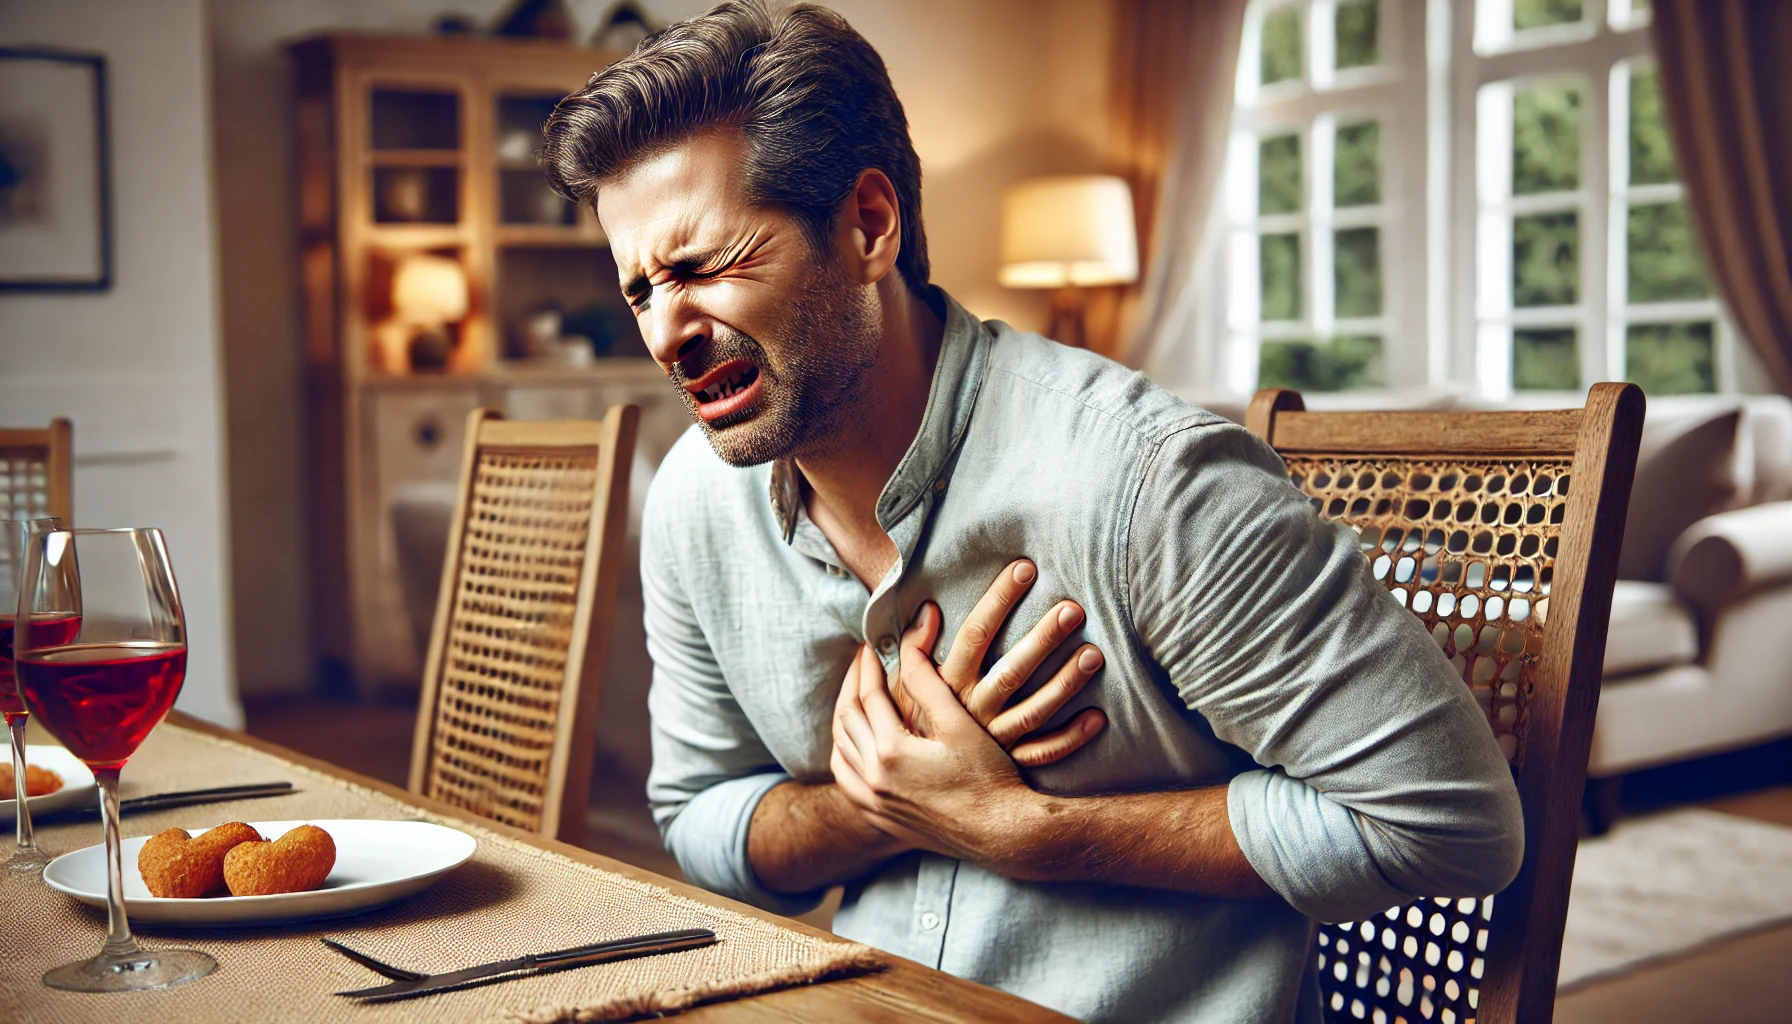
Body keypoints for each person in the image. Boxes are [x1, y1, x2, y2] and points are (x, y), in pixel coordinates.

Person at [541, 3, 1524, 1021]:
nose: (666, 333)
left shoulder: (1151, 487)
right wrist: (886, 808)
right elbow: (697, 815)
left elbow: (1452, 826)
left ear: (868, 226)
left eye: (701, 267)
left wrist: (1032, 829)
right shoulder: (693, 504)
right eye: (641, 289)